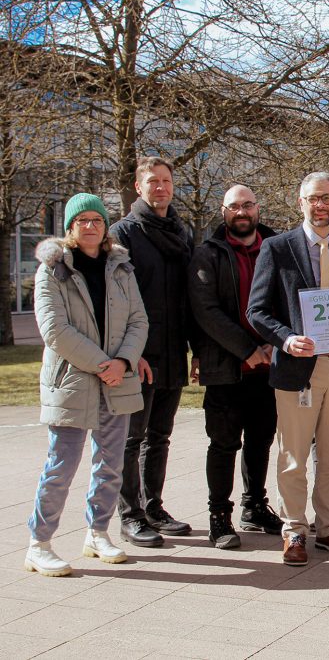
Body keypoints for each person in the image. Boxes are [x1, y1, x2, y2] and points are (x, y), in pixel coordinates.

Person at [26, 193, 149, 575]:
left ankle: (97, 533)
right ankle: (39, 543)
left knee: (110, 465)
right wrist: (102, 364)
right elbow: (54, 330)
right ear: (70, 227)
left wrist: (124, 361)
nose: (91, 226)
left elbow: (138, 321)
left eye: (97, 219)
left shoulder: (121, 267)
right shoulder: (53, 270)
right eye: (83, 221)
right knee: (61, 465)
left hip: (118, 379)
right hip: (73, 381)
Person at [247, 172, 329, 566]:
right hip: (298, 368)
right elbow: (257, 310)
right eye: (314, 198)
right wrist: (285, 338)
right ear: (300, 202)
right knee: (294, 456)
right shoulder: (277, 248)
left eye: (328, 198)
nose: (321, 205)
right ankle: (294, 529)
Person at [188, 185, 283, 549]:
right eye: (234, 207)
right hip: (226, 367)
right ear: (223, 211)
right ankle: (219, 516)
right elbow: (205, 311)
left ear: (258, 209)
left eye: (247, 205)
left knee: (261, 441)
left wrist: (272, 345)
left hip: (270, 366)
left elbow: (288, 299)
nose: (241, 212)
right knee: (224, 444)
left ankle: (255, 506)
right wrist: (247, 349)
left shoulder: (277, 248)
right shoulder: (207, 254)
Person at [110, 156, 194, 547]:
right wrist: (131, 352)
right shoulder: (123, 233)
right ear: (139, 187)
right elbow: (117, 301)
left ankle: (154, 507)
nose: (161, 188)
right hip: (139, 354)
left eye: (166, 181)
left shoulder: (181, 230)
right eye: (153, 182)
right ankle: (129, 514)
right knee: (131, 437)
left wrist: (194, 352)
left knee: (159, 435)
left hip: (174, 350)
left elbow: (189, 297)